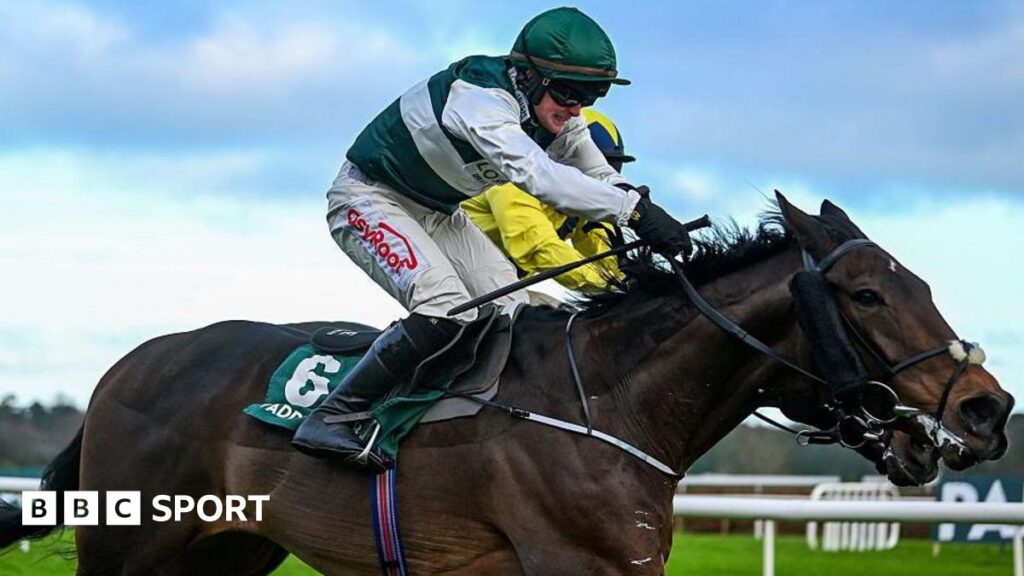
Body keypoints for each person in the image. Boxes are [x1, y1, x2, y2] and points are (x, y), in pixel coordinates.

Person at [292, 6, 694, 471]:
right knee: (445, 306)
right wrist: (633, 212)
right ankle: (332, 415)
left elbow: (599, 173)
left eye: (590, 95)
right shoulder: (480, 100)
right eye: (568, 93)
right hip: (367, 197)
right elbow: (538, 176)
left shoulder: (557, 116)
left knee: (513, 308)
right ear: (528, 77)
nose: (575, 108)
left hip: (440, 211)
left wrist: (647, 210)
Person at [461, 108, 635, 293]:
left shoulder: (581, 201)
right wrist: (610, 285)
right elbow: (535, 246)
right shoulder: (515, 180)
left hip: (486, 281)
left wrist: (634, 279)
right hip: (450, 265)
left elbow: (602, 246)